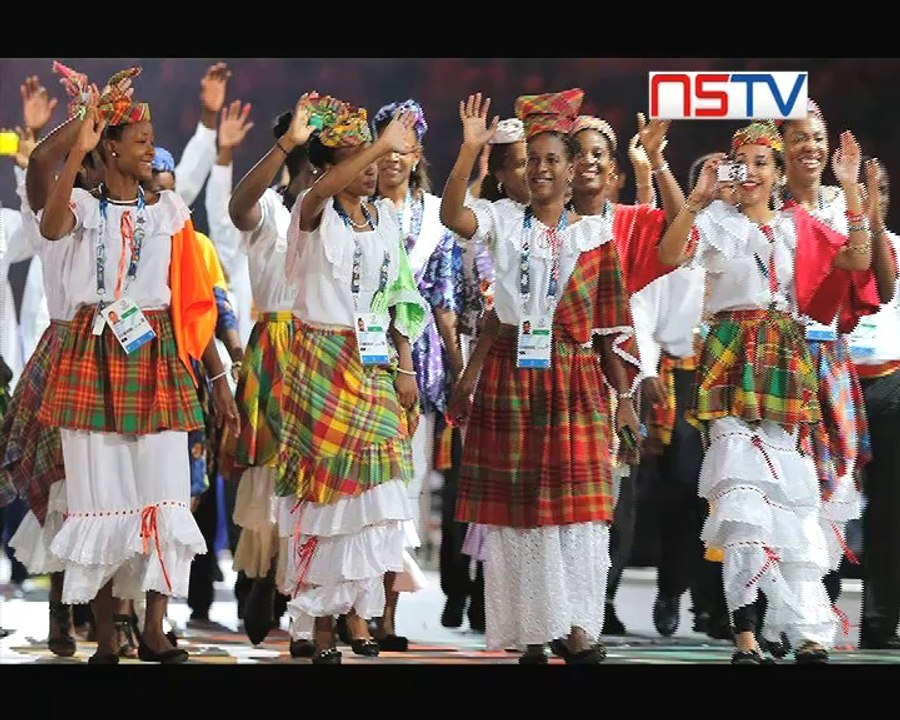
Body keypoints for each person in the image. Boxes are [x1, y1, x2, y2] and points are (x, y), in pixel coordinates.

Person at [36, 68, 239, 664]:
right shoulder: (78, 203)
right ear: (112, 148)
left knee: (164, 494)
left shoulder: (170, 211)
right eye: (141, 138)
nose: (151, 147)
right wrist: (77, 146)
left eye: (152, 138)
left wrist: (218, 372)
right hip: (92, 351)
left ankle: (154, 629)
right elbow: (49, 227)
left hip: (155, 352)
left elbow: (192, 298)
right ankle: (105, 635)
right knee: (100, 496)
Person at [657, 120, 873, 664]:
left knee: (793, 499)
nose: (750, 172)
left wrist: (849, 190)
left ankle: (803, 629)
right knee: (742, 495)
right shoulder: (716, 224)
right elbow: (667, 256)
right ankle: (746, 632)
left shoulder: (797, 226)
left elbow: (858, 261)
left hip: (783, 353)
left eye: (762, 163)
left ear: (779, 174)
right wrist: (699, 197)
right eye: (741, 162)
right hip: (731, 352)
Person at [440, 90, 641, 665]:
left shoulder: (596, 236)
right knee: (520, 509)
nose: (543, 168)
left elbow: (611, 329)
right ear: (519, 170)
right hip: (512, 376)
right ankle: (531, 628)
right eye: (532, 159)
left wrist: (624, 398)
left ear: (574, 169)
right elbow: (453, 215)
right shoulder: (503, 220)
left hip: (575, 376)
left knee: (578, 509)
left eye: (554, 158)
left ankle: (577, 627)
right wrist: (468, 151)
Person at [277, 97, 428, 664]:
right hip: (321, 356)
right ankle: (314, 622)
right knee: (324, 493)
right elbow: (319, 190)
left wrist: (405, 363)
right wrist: (381, 143)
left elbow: (398, 298)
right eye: (358, 153)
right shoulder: (312, 210)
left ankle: (357, 614)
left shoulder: (385, 217)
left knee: (376, 495)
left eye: (375, 151)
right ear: (330, 163)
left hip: (375, 364)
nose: (372, 163)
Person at [221, 99, 316, 650]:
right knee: (267, 471)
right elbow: (237, 206)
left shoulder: (344, 216)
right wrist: (283, 145)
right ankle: (259, 578)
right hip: (277, 347)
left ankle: (303, 593)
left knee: (315, 476)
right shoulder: (272, 212)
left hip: (326, 350)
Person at [847, 156, 900, 649]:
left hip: (888, 386)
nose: (871, 196)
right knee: (821, 502)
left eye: (878, 189)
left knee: (889, 507)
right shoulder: (828, 242)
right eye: (863, 188)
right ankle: (809, 618)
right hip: (833, 384)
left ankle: (880, 620)